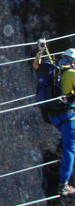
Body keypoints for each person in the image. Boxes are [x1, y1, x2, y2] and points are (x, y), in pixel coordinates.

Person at [36, 47, 75, 195]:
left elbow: (37, 66)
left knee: (66, 143)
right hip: (68, 116)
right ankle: (63, 183)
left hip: (54, 116)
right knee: (70, 148)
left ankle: (60, 153)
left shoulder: (55, 72)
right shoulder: (71, 73)